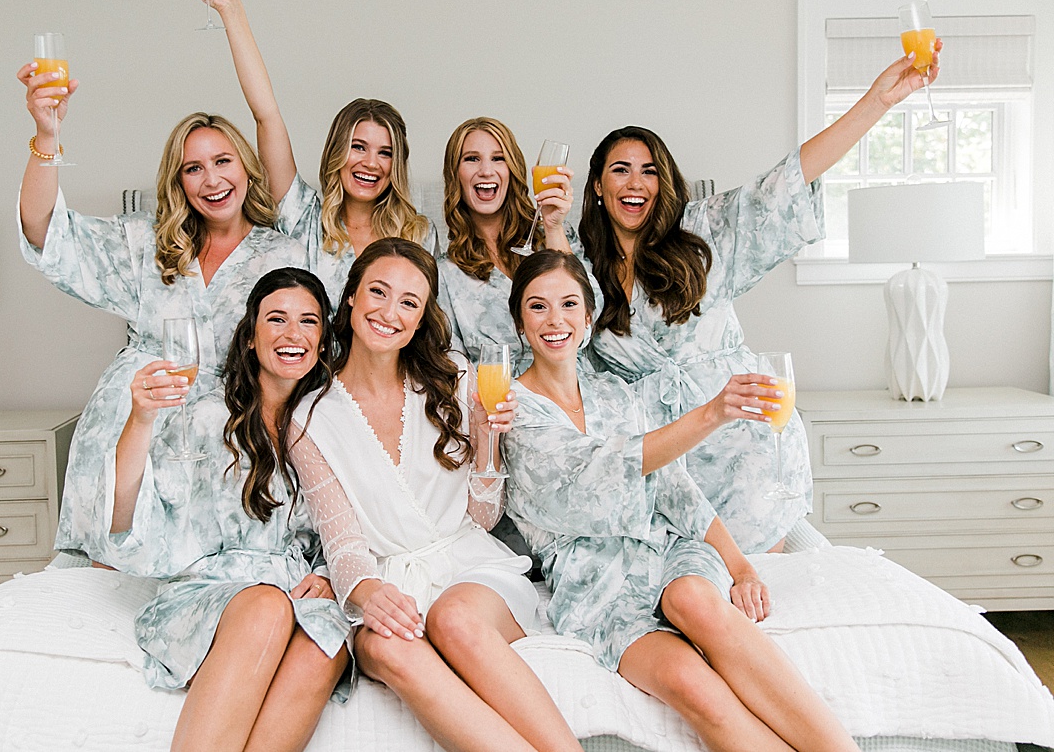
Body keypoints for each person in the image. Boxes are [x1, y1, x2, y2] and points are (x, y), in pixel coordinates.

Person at [579, 46, 943, 552]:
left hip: (735, 442)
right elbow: (555, 329)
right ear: (597, 186)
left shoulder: (703, 231)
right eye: (620, 170)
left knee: (774, 590)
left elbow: (787, 181)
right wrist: (551, 225)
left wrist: (877, 102)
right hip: (653, 453)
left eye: (649, 170)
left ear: (664, 185)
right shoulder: (577, 261)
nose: (635, 183)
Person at [502, 250, 861, 752]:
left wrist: (741, 567)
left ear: (587, 319)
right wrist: (711, 413)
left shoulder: (614, 393)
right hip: (594, 586)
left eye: (568, 304)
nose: (555, 319)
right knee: (696, 689)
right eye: (538, 306)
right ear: (520, 321)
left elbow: (672, 485)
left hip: (665, 548)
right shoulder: (513, 411)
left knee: (693, 599)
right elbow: (600, 467)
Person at [16, 0, 306, 562]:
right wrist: (48, 137)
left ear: (247, 169)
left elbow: (266, 114)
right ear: (178, 183)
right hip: (138, 411)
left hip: (228, 419)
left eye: (223, 161)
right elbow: (46, 230)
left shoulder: (282, 254)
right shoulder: (150, 243)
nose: (211, 179)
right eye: (193, 169)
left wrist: (230, 11)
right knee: (107, 555)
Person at [287, 239, 582, 752]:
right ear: (352, 297)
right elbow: (341, 540)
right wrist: (364, 592)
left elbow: (483, 518)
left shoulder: (457, 378)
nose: (389, 312)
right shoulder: (310, 417)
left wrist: (489, 437)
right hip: (383, 581)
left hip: (469, 571)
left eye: (409, 302)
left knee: (452, 617)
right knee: (391, 651)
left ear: (422, 317)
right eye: (378, 292)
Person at [106, 267, 349, 752]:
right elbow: (127, 517)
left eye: (308, 321)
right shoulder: (205, 413)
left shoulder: (332, 423)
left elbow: (349, 528)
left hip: (294, 590)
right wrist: (140, 420)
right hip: (210, 590)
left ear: (322, 342)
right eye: (276, 319)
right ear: (252, 338)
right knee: (264, 606)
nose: (292, 334)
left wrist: (327, 573)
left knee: (331, 635)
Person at [189, 0, 436, 304]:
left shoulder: (418, 233)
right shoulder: (303, 219)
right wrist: (231, 11)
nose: (371, 163)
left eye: (385, 152)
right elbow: (266, 116)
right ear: (337, 152)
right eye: (358, 147)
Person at [438, 117, 576, 373]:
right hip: (503, 404)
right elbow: (452, 365)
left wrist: (553, 227)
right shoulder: (445, 275)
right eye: (471, 159)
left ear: (512, 169)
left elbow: (589, 318)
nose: (486, 171)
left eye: (498, 158)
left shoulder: (552, 233)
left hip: (570, 391)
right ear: (454, 173)